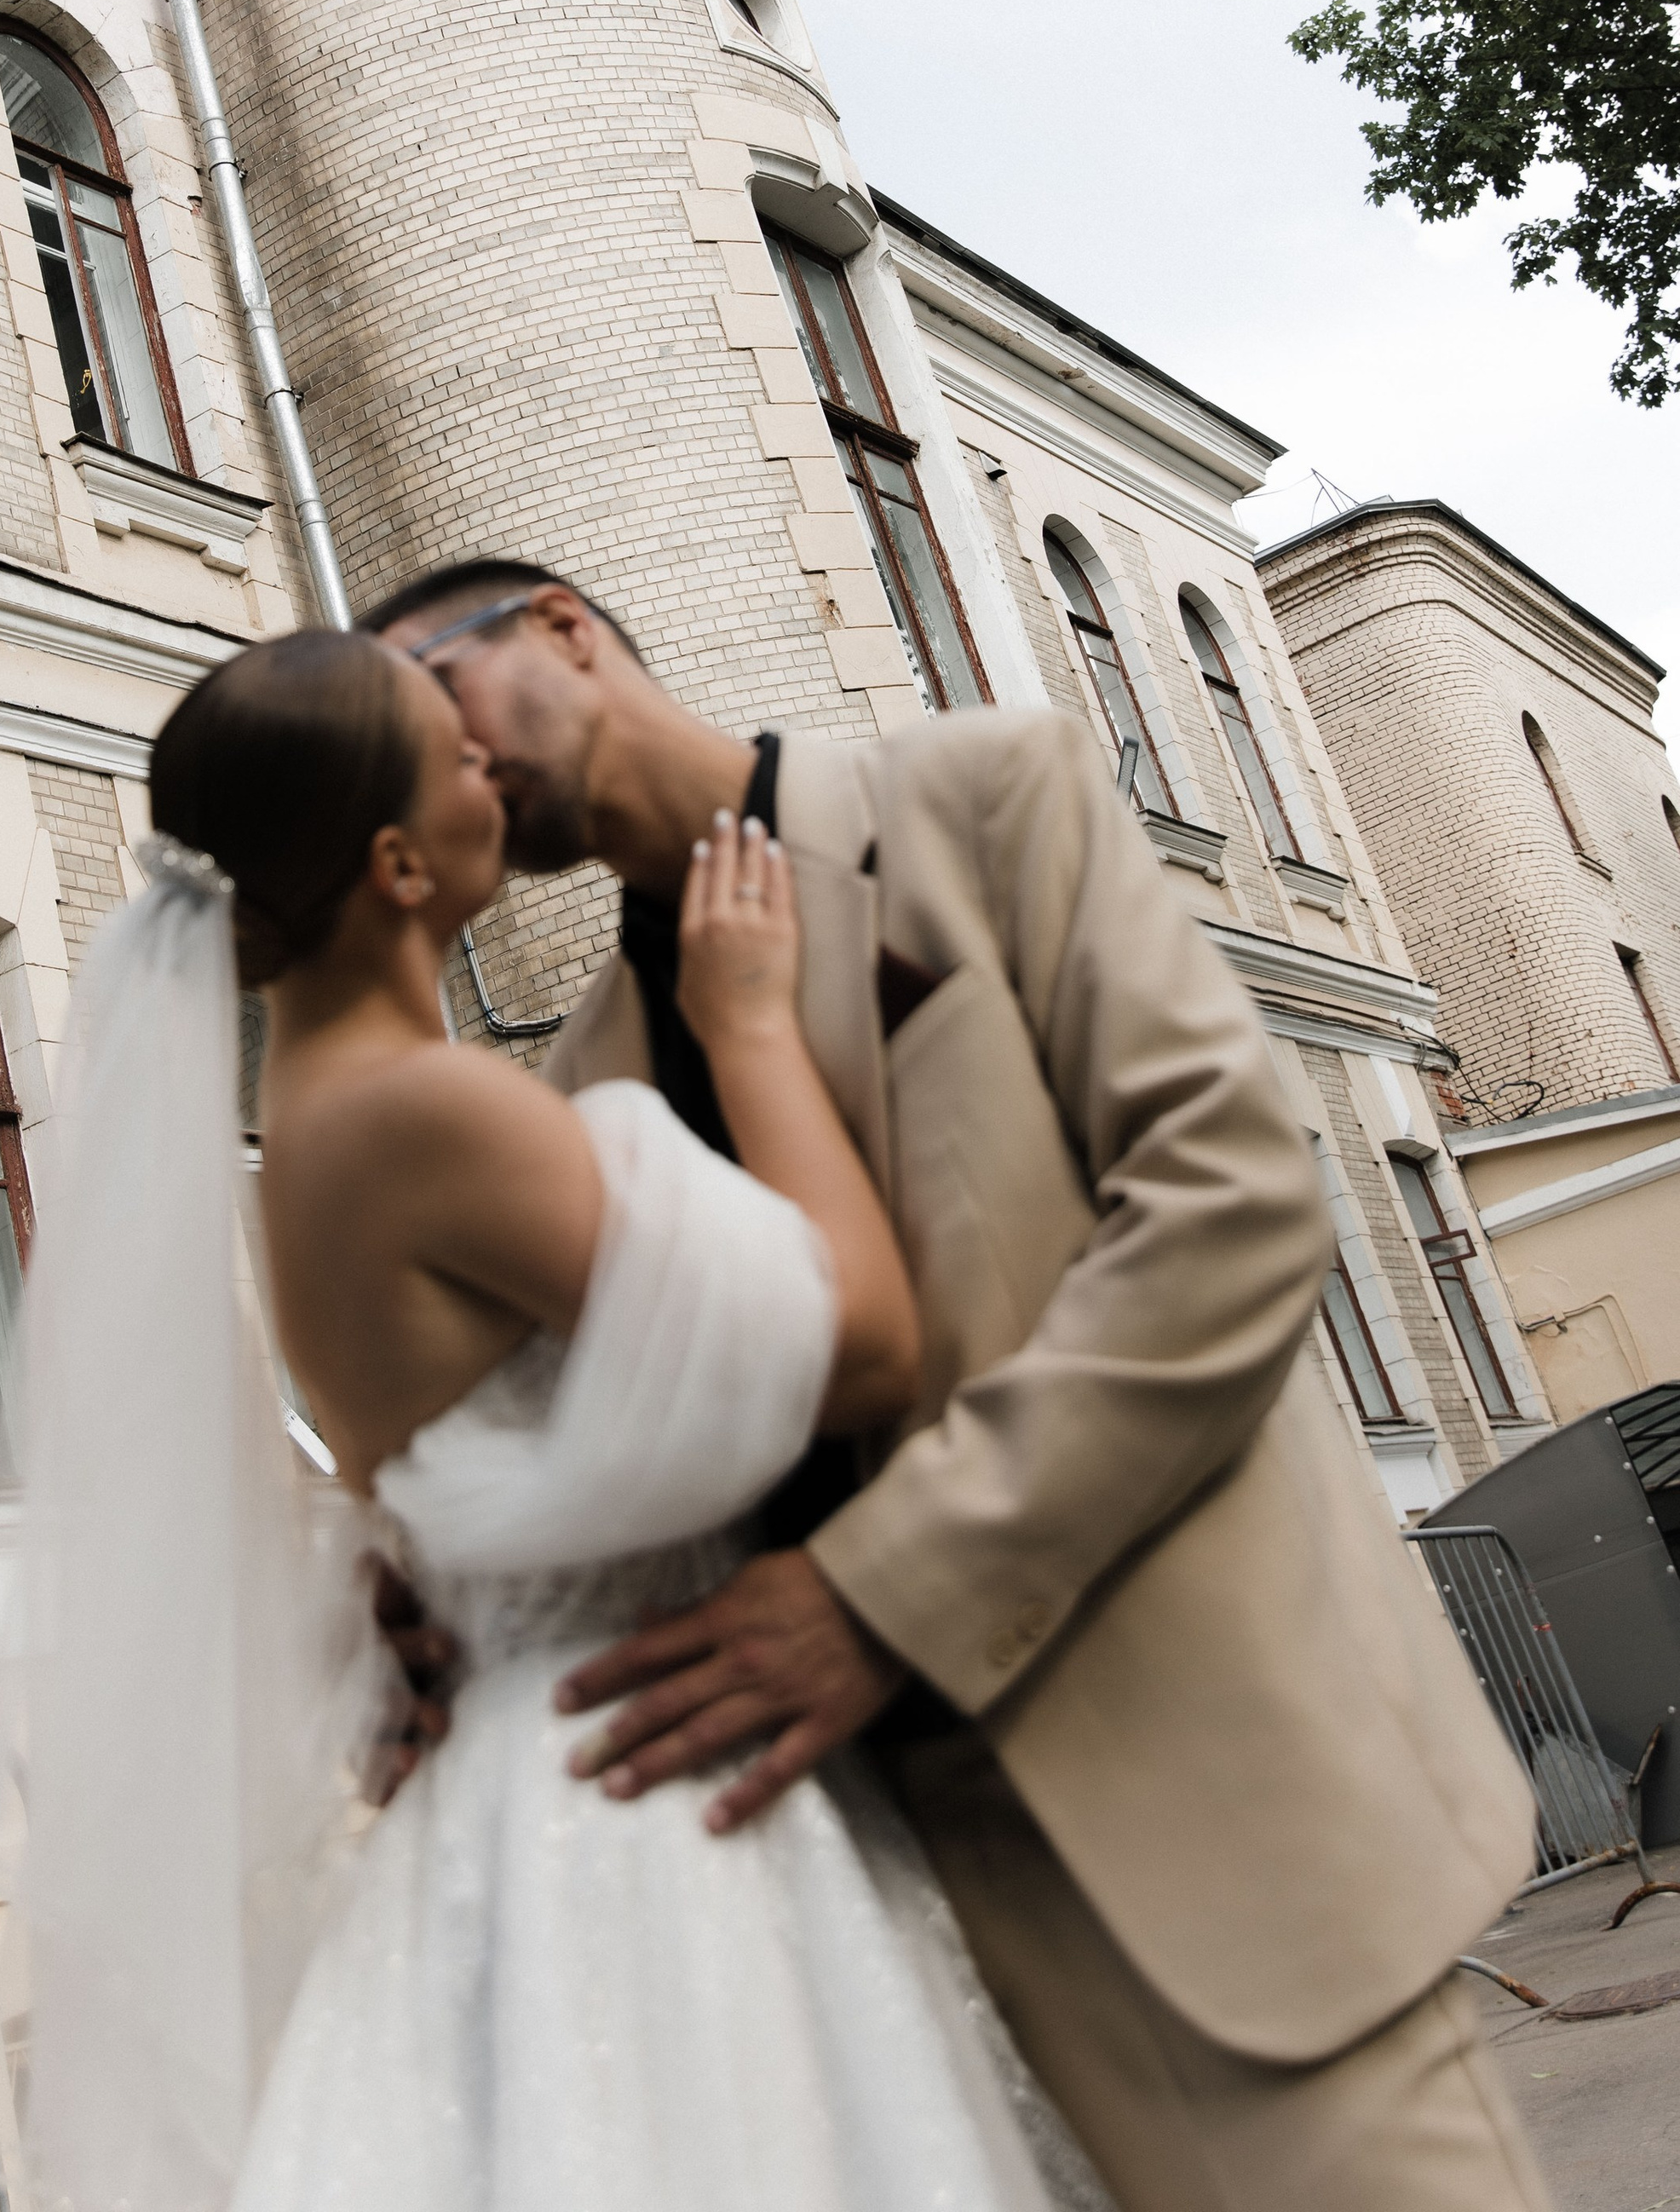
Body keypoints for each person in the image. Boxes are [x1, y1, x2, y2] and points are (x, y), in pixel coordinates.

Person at [360, 561, 1551, 2212]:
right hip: (871, 1946)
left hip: (1219, 1835)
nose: (414, 763)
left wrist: (880, 1598)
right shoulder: (574, 1097)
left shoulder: (988, 798)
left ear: (560, 627)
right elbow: (604, 1468)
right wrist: (430, 1600)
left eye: (419, 697)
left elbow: (1230, 1214)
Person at [5, 626, 1108, 2212]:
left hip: (515, 1799)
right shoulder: (426, 1110)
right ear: (397, 863)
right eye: (451, 756)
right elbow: (861, 1343)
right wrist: (748, 1026)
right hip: (629, 1812)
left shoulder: (309, 1128)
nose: (488, 762)